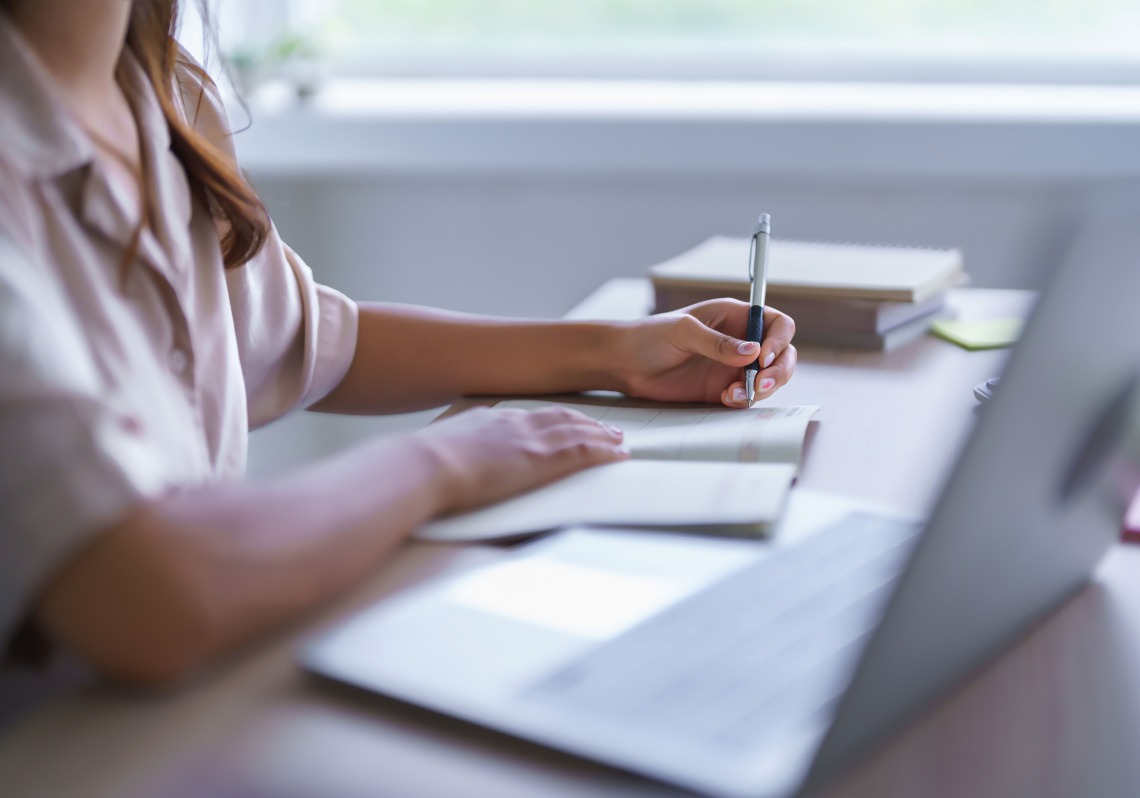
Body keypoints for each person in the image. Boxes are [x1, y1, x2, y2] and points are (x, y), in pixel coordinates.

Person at [0, 0, 797, 702]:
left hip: (203, 703)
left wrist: (619, 354)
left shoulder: (160, 98)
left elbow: (314, 341)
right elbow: (153, 596)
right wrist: (440, 467)